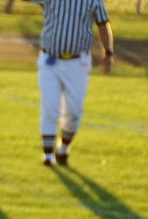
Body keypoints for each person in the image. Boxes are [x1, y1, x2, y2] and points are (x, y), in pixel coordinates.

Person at [31, 0, 112, 166]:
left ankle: (63, 148)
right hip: (50, 59)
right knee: (50, 108)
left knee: (74, 111)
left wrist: (108, 52)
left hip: (77, 63)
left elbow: (103, 24)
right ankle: (47, 157)